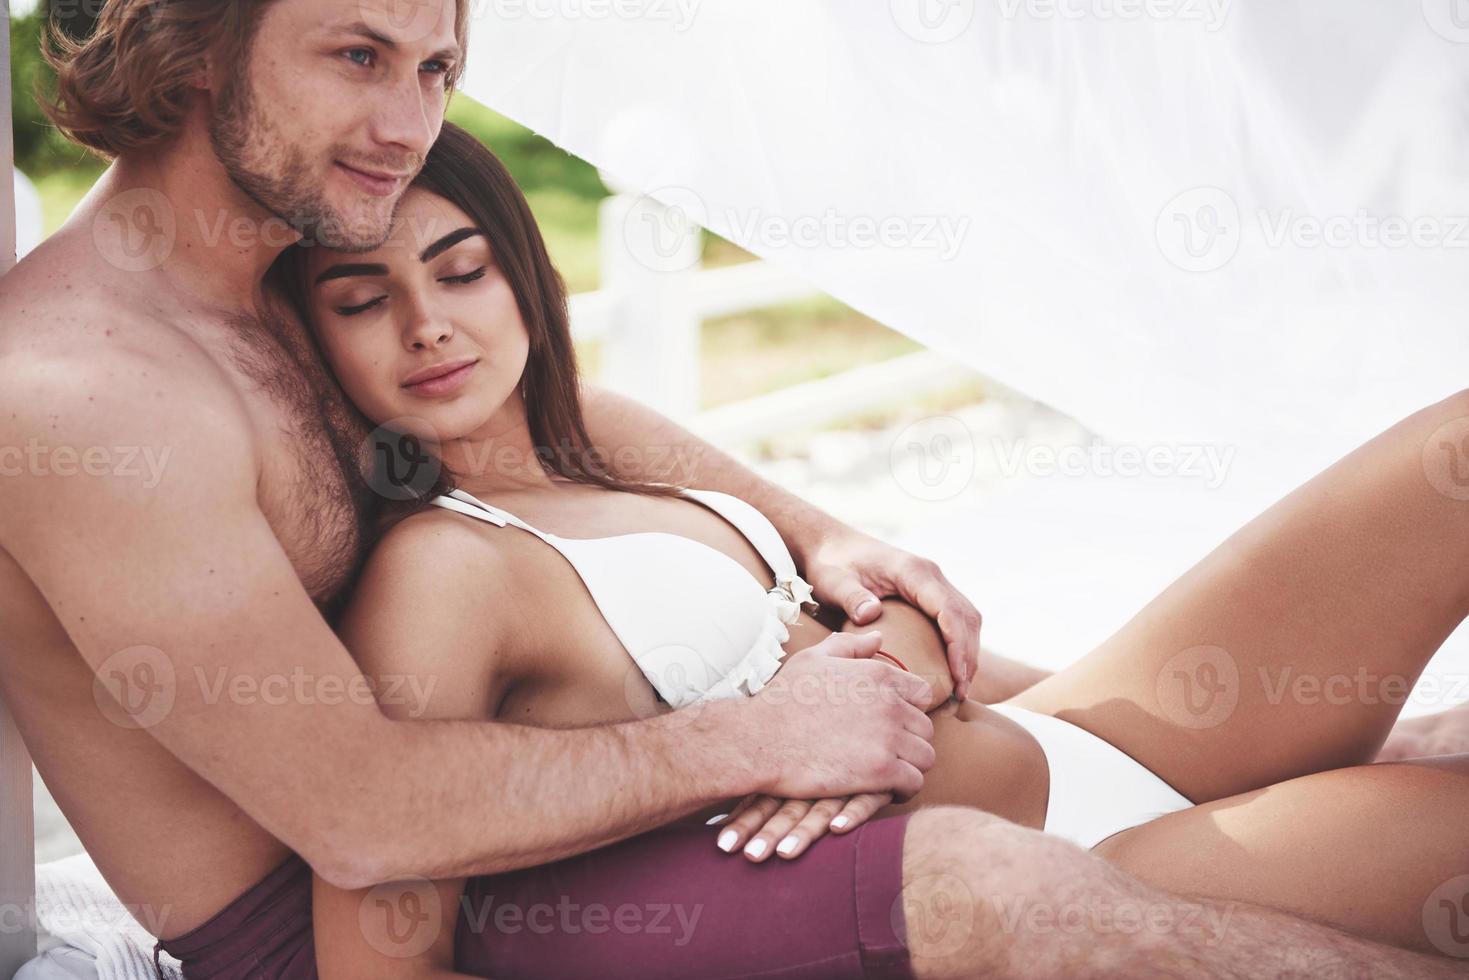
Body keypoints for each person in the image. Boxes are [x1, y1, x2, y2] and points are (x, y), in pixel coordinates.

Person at [0, 2, 1459, 979]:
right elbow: (364, 822)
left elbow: (535, 410)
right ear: (197, 47)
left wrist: (822, 535)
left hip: (560, 815)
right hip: (375, 922)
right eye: (358, 56)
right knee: (977, 880)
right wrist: (753, 732)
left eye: (437, 69)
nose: (410, 121)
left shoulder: (287, 272)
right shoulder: (80, 395)